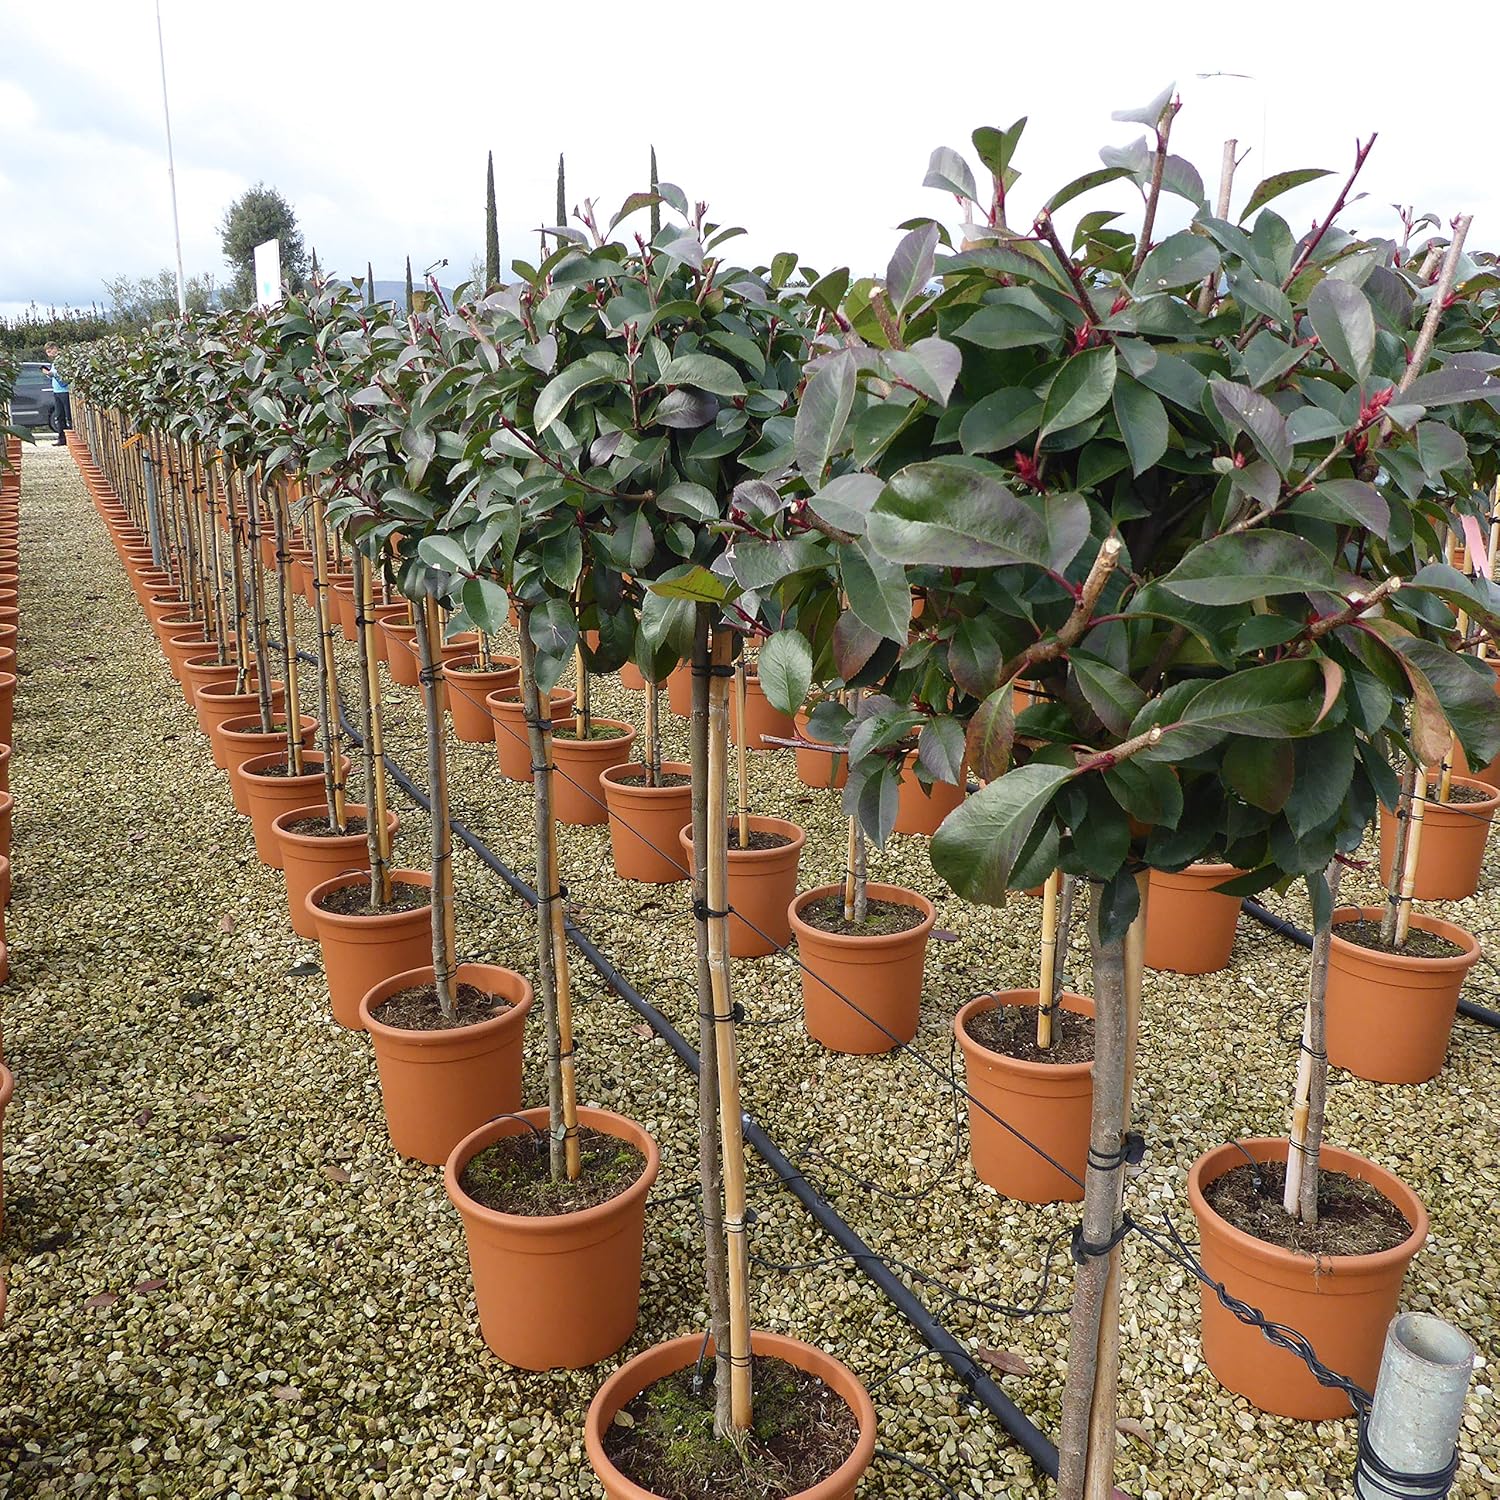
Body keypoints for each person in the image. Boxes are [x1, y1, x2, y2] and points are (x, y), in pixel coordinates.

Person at [43, 342, 71, 445]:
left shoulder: (62, 359)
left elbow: (62, 373)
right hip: (57, 391)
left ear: (55, 348)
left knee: (68, 415)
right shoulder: (54, 362)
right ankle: (62, 438)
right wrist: (48, 374)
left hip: (64, 390)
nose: (49, 354)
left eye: (50, 351)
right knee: (59, 416)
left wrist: (51, 373)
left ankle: (70, 438)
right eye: (47, 352)